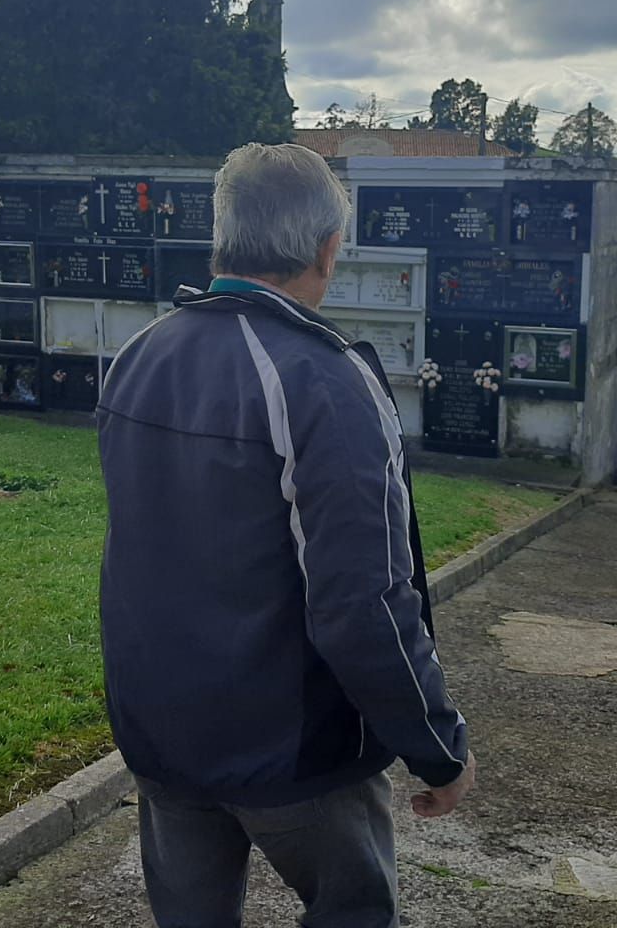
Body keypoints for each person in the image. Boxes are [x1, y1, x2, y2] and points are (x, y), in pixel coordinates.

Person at [97, 143, 474, 927]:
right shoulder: (324, 380)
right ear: (329, 247)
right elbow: (363, 598)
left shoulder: (139, 355)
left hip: (162, 730)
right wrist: (435, 744)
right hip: (295, 747)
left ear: (222, 237)